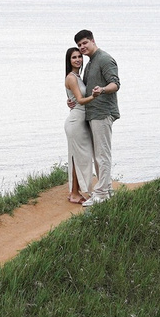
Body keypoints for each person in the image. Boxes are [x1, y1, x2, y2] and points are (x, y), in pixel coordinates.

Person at [75, 28, 120, 198]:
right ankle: (107, 190)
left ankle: (100, 194)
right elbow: (86, 91)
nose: (82, 47)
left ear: (93, 40)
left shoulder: (105, 59)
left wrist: (102, 89)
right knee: (97, 156)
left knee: (102, 155)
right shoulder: (90, 63)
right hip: (92, 114)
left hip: (103, 113)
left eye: (85, 43)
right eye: (79, 45)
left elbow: (115, 84)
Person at [62, 46, 98, 204]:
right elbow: (81, 100)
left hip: (79, 119)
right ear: (69, 61)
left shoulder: (77, 77)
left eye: (79, 57)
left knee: (78, 157)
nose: (77, 59)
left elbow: (74, 99)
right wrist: (95, 95)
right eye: (74, 57)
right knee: (79, 157)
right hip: (76, 121)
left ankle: (74, 192)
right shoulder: (71, 77)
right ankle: (75, 193)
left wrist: (72, 102)